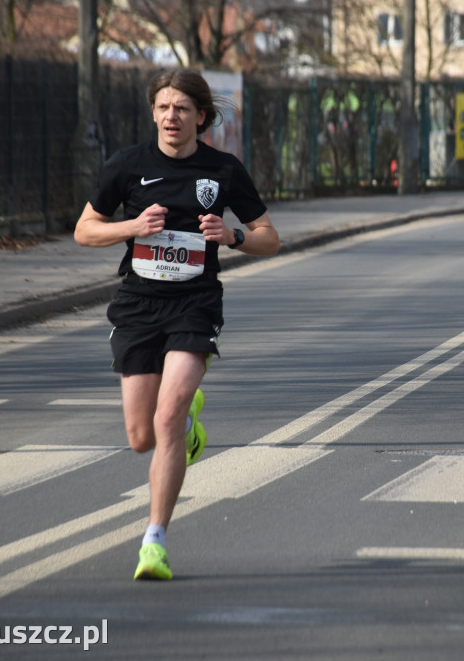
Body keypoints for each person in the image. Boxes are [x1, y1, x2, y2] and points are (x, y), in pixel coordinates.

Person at [74, 69, 280, 580]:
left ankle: (155, 540)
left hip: (195, 305)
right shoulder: (126, 165)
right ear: (153, 113)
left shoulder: (224, 169)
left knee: (164, 421)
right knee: (142, 436)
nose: (172, 117)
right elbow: (84, 230)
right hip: (139, 305)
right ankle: (188, 424)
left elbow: (269, 238)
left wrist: (231, 236)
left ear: (201, 118)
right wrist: (132, 226)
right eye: (164, 107)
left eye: (183, 109)